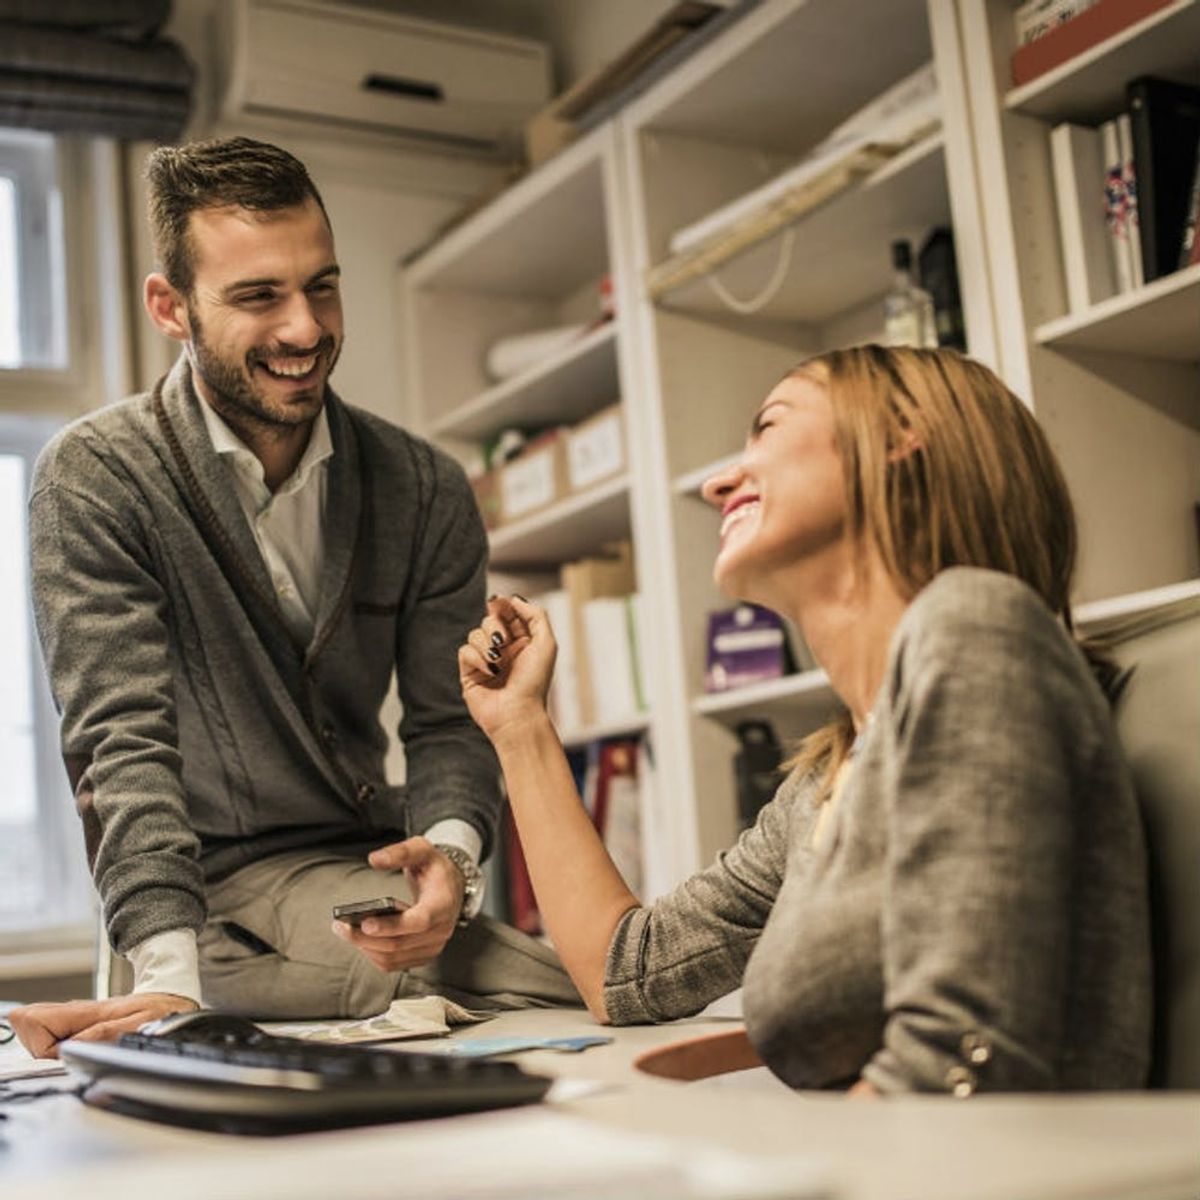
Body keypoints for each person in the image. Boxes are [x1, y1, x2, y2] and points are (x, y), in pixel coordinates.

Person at [458, 344, 1153, 1095]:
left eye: (768, 427)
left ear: (900, 436)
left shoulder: (978, 629)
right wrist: (520, 725)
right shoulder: (826, 782)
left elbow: (963, 1057)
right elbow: (627, 973)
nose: (722, 480)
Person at [12, 137, 574, 1059]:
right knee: (555, 985)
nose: (306, 329)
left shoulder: (425, 487)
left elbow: (448, 719)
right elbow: (121, 743)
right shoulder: (93, 481)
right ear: (171, 307)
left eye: (322, 286)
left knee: (529, 984)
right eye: (258, 296)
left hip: (360, 873)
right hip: (201, 896)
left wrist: (454, 868)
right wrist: (167, 981)